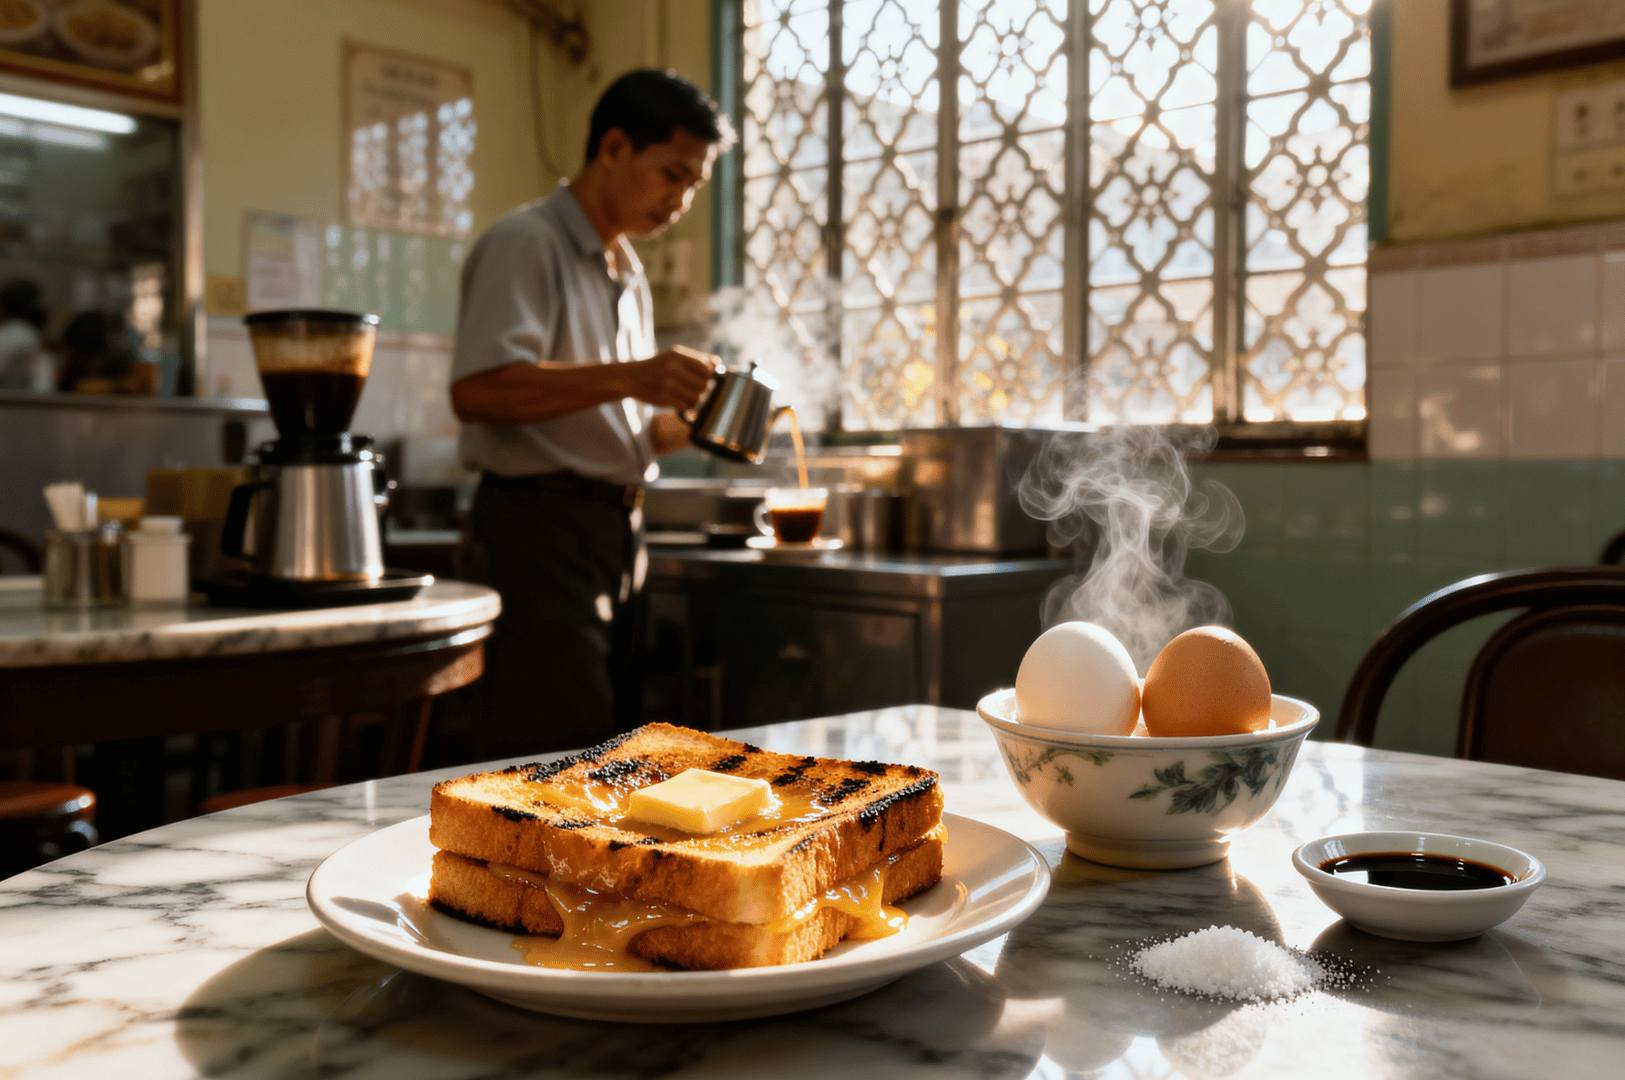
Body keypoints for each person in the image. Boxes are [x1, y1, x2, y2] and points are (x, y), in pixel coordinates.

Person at [449, 69, 734, 758]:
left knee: (608, 746)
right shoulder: (527, 243)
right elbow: (479, 391)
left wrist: (689, 424)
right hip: (537, 533)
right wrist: (637, 375)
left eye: (694, 184)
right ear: (612, 147)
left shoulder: (627, 271)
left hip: (615, 536)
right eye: (672, 173)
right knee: (553, 743)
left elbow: (615, 427)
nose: (681, 199)